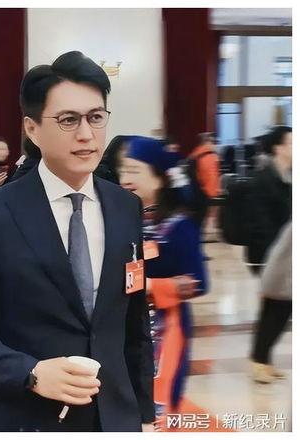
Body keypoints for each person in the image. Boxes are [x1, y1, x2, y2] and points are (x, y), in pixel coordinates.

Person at [0, 51, 155, 432]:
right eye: (68, 120)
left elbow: (134, 323)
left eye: (96, 117)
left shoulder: (125, 207)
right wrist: (28, 372)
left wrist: (145, 415)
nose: (86, 134)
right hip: (25, 417)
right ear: (32, 129)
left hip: (115, 417)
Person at [119, 136, 208, 428]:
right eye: (123, 169)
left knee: (158, 405)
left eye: (134, 170)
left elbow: (199, 281)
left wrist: (149, 287)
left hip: (164, 328)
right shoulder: (123, 219)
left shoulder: (179, 226)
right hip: (122, 323)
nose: (125, 177)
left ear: (159, 178)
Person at [248, 126, 292, 383]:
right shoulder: (263, 179)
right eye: (291, 143)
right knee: (275, 308)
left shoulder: (289, 177)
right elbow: (259, 223)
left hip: (286, 256)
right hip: (267, 255)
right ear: (278, 147)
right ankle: (259, 360)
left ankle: (263, 358)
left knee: (281, 307)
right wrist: (269, 258)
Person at [250, 220, 291, 383]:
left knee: (278, 321)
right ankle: (259, 363)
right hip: (280, 279)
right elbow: (279, 254)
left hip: (285, 280)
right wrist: (267, 284)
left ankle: (264, 361)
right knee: (272, 320)